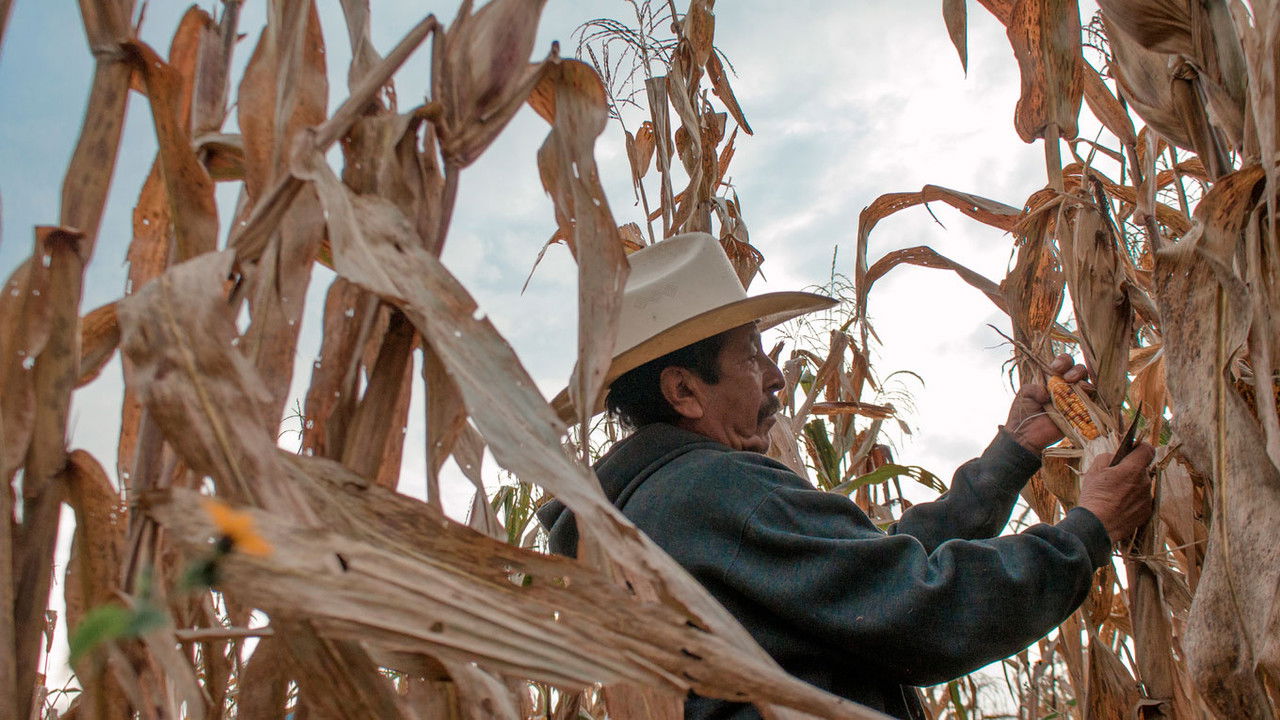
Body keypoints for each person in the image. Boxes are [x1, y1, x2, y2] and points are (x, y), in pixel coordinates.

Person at [537, 232, 1155, 720]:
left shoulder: (630, 522)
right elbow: (919, 610)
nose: (776, 377)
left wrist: (1011, 455)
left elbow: (860, 572)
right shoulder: (716, 492)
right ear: (683, 390)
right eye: (751, 355)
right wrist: (1088, 530)